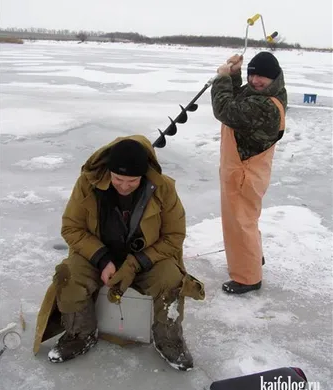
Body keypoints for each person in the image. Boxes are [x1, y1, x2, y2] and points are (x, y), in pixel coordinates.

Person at [33, 135, 205, 371]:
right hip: (97, 256)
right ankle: (80, 334)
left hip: (147, 259)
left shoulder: (164, 189)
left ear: (143, 175)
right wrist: (102, 259)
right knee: (67, 275)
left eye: (132, 181)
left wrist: (135, 263)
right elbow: (71, 227)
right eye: (118, 179)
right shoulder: (87, 184)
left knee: (171, 279)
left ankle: (168, 339)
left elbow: (174, 236)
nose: (124, 186)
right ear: (108, 172)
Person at [210, 51, 287, 294]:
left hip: (243, 173)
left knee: (239, 224)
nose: (254, 81)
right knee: (246, 220)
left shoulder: (264, 106)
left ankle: (248, 277)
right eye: (252, 75)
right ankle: (252, 257)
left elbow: (226, 110)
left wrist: (221, 79)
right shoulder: (265, 93)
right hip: (247, 169)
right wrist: (234, 75)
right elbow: (238, 97)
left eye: (261, 77)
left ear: (273, 78)